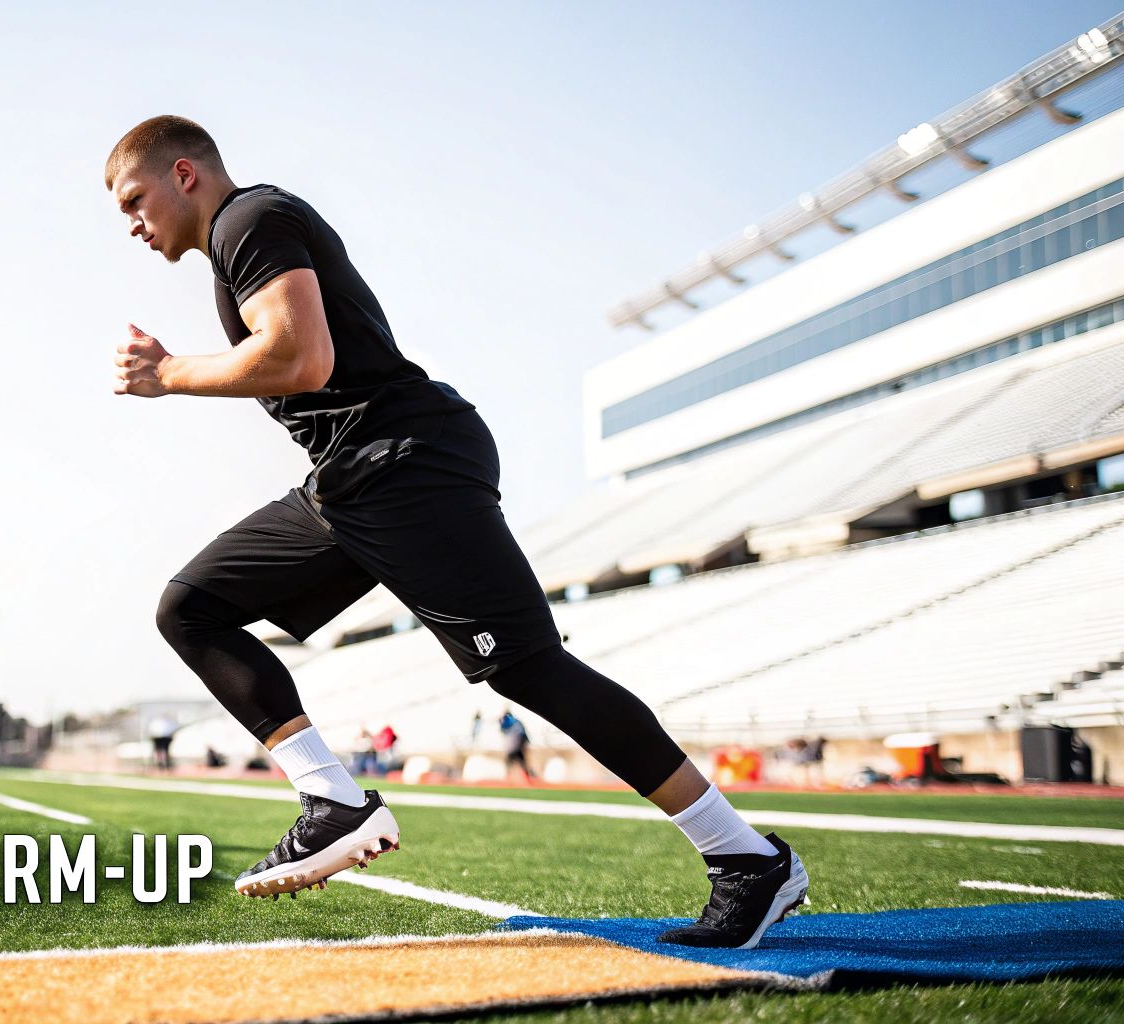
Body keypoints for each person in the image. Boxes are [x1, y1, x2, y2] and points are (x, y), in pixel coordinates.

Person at [111, 116, 806, 946]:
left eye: (134, 199)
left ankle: (747, 860)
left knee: (531, 671)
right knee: (193, 608)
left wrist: (171, 372)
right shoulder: (237, 240)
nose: (132, 224)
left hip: (403, 464)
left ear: (184, 174)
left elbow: (300, 357)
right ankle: (330, 799)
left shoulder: (248, 220)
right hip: (352, 478)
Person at [500, 706, 533, 783]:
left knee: (511, 764)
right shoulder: (517, 722)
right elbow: (524, 735)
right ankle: (527, 780)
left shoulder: (509, 721)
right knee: (521, 764)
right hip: (517, 748)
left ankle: (508, 779)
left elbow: (503, 729)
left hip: (513, 748)